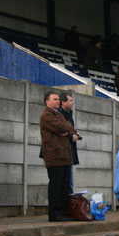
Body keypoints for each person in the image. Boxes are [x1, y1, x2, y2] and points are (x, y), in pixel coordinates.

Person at [39, 91, 75, 222]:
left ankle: (62, 212)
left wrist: (67, 129)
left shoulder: (59, 114)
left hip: (65, 156)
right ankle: (54, 214)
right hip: (54, 157)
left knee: (64, 186)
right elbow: (61, 127)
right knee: (56, 186)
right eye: (54, 99)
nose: (58, 101)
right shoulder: (46, 115)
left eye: (58, 99)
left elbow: (70, 128)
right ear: (47, 102)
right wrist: (66, 129)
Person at [58, 92, 80, 194]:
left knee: (68, 182)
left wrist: (74, 133)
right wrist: (72, 136)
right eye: (70, 100)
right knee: (65, 182)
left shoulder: (69, 113)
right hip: (63, 153)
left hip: (69, 152)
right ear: (63, 103)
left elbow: (69, 129)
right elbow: (60, 131)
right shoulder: (59, 114)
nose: (73, 103)